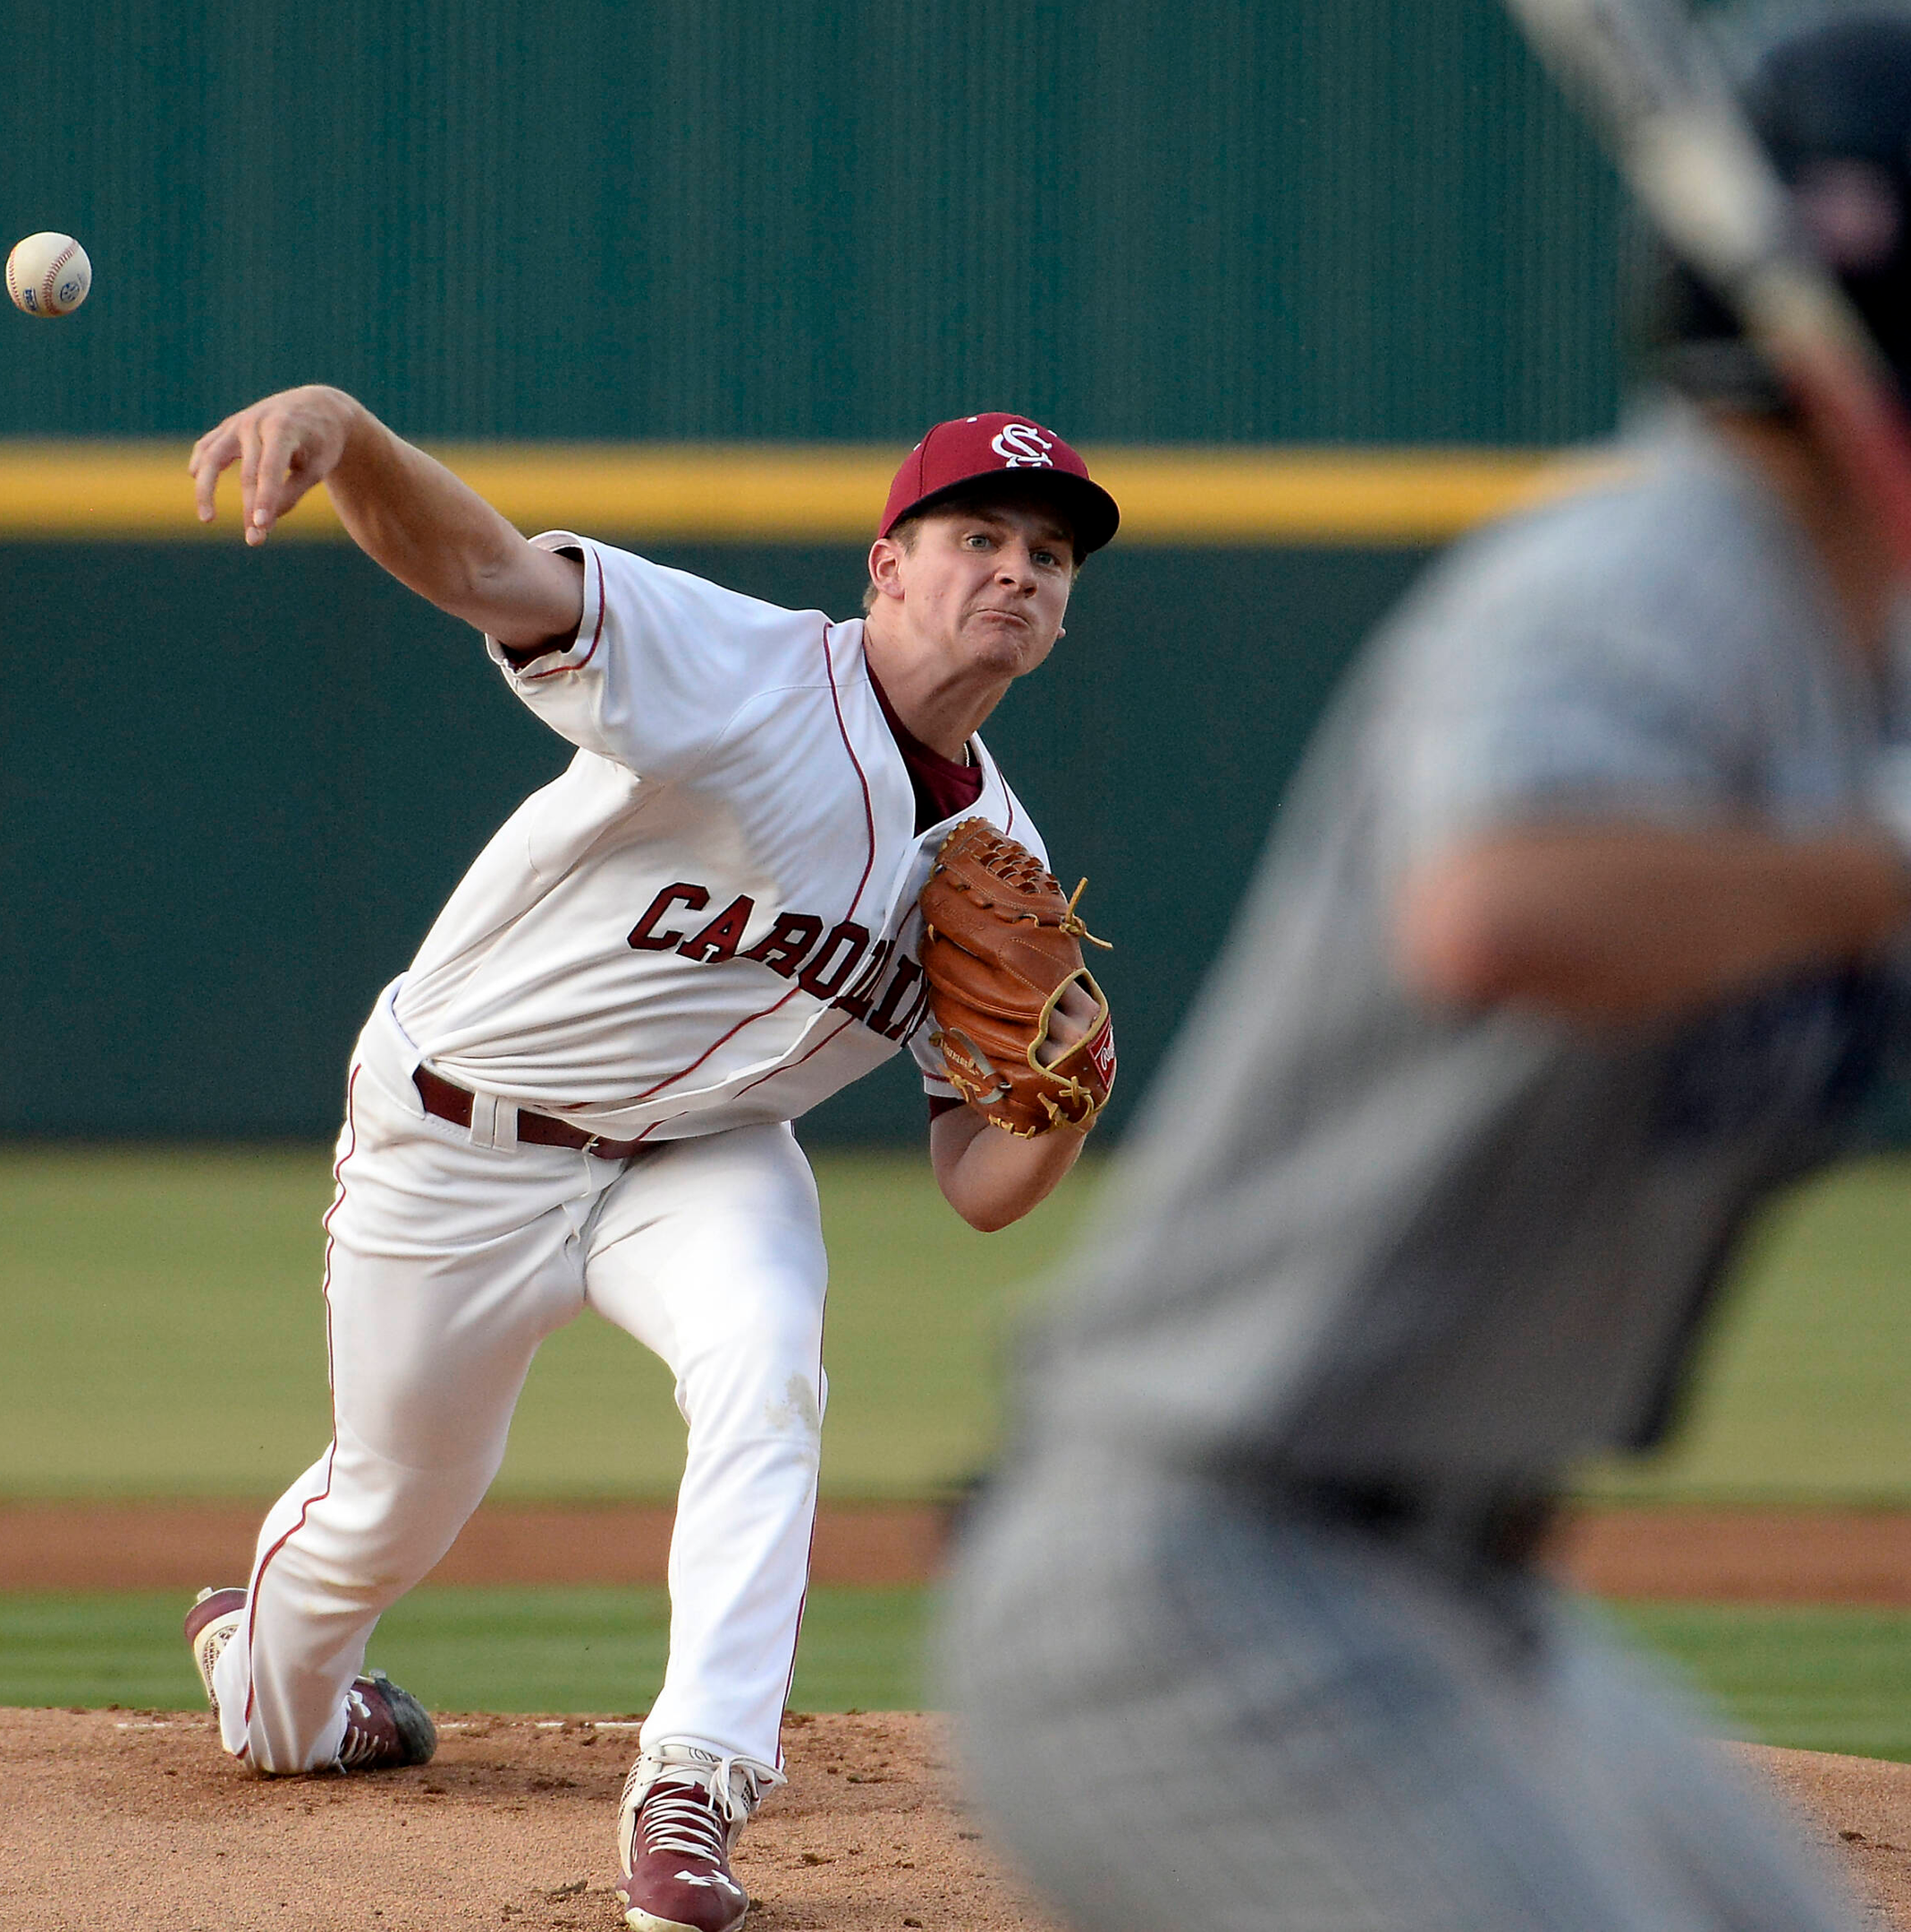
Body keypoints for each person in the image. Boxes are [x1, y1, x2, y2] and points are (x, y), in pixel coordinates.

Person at [943, 14, 1911, 1932]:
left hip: (1452, 1599)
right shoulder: (1648, 578)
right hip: (1200, 1585)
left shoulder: (1847, 652)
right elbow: (1495, 906)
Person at [176, 397, 1120, 1932]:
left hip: (705, 1156)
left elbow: (973, 1183)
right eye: (978, 538)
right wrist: (351, 439)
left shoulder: (992, 857)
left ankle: (694, 1781)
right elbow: (492, 574)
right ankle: (272, 1666)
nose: (1017, 572)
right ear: (888, 565)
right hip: (458, 1134)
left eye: (1048, 556)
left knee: (767, 1370)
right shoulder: (745, 668)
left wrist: (1063, 1108)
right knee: (394, 1503)